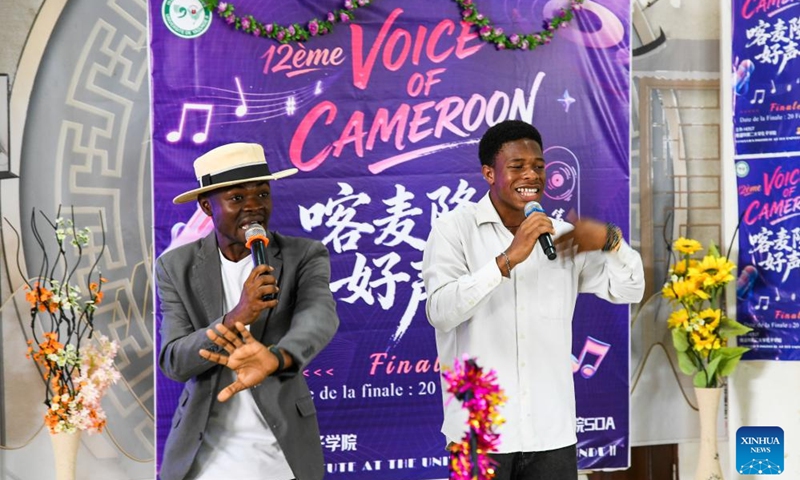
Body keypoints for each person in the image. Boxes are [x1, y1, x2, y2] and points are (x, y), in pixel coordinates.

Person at [422, 120, 644, 480]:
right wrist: (508, 258)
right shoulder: (453, 230)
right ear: (489, 173)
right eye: (517, 166)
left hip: (551, 432)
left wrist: (611, 240)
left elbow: (629, 290)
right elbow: (441, 311)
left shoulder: (562, 236)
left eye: (539, 166)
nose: (532, 175)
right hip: (477, 434)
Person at [157, 142, 339, 480]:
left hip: (281, 458)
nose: (254, 208)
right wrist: (239, 315)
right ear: (207, 207)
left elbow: (319, 316)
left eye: (262, 195)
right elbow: (174, 361)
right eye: (237, 199)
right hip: (203, 462)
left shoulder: (304, 255)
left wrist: (276, 358)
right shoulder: (175, 267)